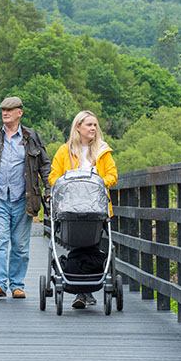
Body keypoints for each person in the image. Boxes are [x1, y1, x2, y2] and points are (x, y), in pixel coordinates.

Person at [0, 96, 51, 298]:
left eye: (9, 110)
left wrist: (49, 189)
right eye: (3, 110)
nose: (5, 113)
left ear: (20, 113)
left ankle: (17, 285)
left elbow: (44, 164)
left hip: (23, 198)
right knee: (0, 241)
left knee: (20, 245)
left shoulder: (31, 137)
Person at [49, 110, 118, 309]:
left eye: (95, 125)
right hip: (71, 207)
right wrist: (69, 184)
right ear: (78, 127)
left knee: (92, 243)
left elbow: (112, 175)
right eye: (89, 125)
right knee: (78, 243)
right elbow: (54, 176)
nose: (93, 129)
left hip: (96, 207)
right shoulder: (64, 151)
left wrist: (97, 182)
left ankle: (84, 290)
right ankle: (82, 290)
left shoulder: (103, 152)